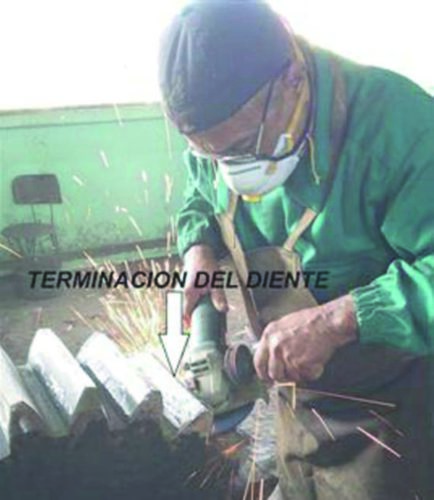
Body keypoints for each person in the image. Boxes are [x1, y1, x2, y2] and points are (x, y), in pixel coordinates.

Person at [158, 0, 434, 498]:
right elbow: (199, 190)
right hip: (295, 399)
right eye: (213, 154)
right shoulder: (216, 125)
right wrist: (198, 246)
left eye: (244, 146)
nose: (232, 170)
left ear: (292, 76)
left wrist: (337, 320)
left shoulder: (398, 128)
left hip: (391, 408)